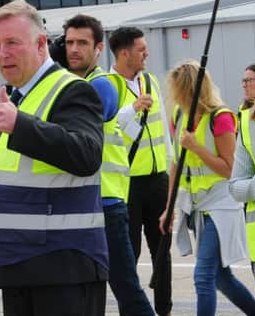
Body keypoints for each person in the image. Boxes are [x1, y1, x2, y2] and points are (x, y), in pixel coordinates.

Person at [0, 0, 107, 316]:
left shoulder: (72, 90)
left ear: (40, 44)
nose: (2, 53)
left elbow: (87, 154)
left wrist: (21, 125)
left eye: (12, 43)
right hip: (22, 264)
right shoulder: (21, 96)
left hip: (62, 267)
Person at [64, 14, 154, 316]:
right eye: (68, 43)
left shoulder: (100, 85)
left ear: (99, 48)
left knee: (126, 287)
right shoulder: (75, 82)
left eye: (82, 43)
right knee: (90, 288)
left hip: (106, 200)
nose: (74, 49)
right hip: (85, 199)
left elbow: (72, 123)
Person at [161, 60, 255, 316]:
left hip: (221, 203)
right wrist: (168, 207)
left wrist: (198, 148)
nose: (174, 95)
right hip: (194, 204)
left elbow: (230, 168)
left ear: (190, 89)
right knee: (220, 277)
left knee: (203, 276)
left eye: (178, 89)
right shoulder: (179, 115)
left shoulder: (221, 117)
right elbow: (175, 165)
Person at [108, 27, 173, 316]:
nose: (146, 53)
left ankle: (165, 310)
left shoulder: (150, 80)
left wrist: (171, 174)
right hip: (128, 182)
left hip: (158, 179)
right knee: (128, 253)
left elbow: (164, 133)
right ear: (124, 53)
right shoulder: (106, 85)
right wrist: (130, 110)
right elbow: (111, 133)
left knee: (162, 250)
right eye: (141, 49)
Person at [230, 59, 255, 316]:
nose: (244, 85)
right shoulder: (246, 124)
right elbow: (235, 187)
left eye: (249, 80)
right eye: (242, 81)